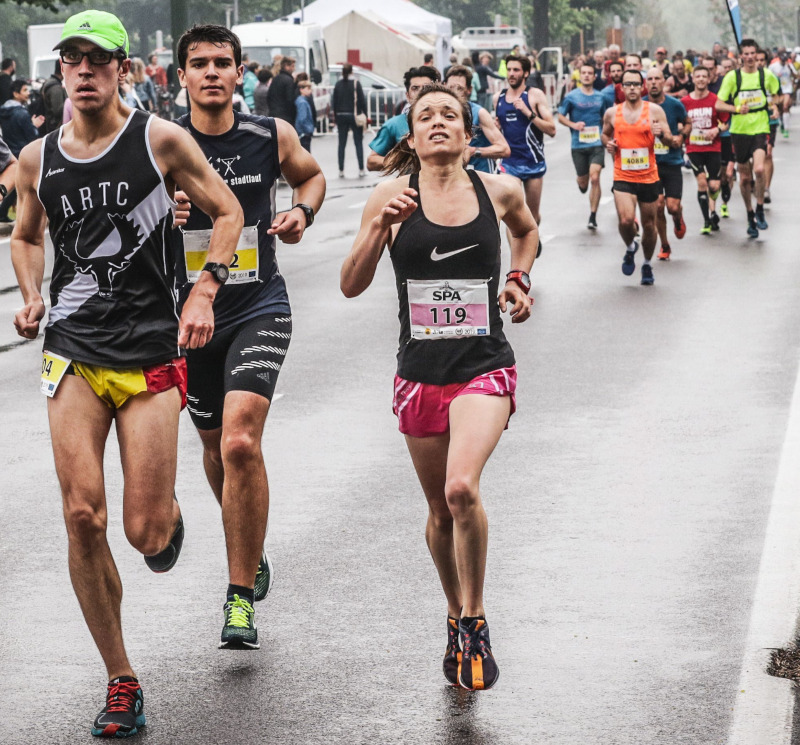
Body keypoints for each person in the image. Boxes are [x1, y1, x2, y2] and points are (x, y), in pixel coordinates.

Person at [10, 10, 243, 738]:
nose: (83, 71)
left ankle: (165, 514)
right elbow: (24, 236)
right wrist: (30, 293)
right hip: (73, 349)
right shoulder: (37, 158)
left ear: (122, 69)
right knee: (82, 514)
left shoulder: (158, 139)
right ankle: (121, 677)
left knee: (143, 533)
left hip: (149, 351)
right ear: (60, 72)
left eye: (96, 60)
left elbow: (228, 212)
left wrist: (204, 290)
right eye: (71, 60)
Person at [341, 82, 537, 691]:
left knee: (459, 488)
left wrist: (519, 279)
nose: (437, 124)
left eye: (449, 115)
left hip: (484, 367)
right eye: (424, 116)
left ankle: (475, 619)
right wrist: (381, 227)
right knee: (437, 510)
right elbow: (350, 284)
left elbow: (526, 233)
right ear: (411, 133)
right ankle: (453, 612)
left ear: (466, 130)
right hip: (419, 375)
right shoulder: (389, 195)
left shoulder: (497, 189)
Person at [174, 23, 325, 651]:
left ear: (242, 74)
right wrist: (167, 218)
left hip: (258, 302)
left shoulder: (270, 134)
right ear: (180, 76)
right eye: (199, 63)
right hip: (188, 316)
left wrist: (300, 211)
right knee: (214, 449)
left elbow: (311, 177)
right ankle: (249, 545)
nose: (212, 72)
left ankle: (239, 597)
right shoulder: (159, 142)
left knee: (240, 440)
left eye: (223, 63)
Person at [602, 68, 674, 285]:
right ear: (621, 87)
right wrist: (608, 143)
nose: (632, 88)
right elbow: (605, 133)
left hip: (649, 177)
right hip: (623, 175)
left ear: (641, 87)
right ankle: (631, 246)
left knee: (649, 226)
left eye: (635, 84)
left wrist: (662, 134)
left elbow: (670, 139)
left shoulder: (654, 111)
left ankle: (647, 263)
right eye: (627, 84)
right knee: (625, 221)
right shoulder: (612, 113)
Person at [716, 38, 780, 238]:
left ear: (756, 55)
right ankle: (750, 214)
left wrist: (774, 105)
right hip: (739, 131)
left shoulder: (766, 75)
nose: (751, 57)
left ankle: (760, 208)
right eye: (747, 54)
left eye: (754, 53)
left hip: (760, 127)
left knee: (759, 169)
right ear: (741, 56)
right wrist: (736, 108)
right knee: (744, 178)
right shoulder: (732, 78)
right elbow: (719, 104)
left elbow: (777, 95)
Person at [494, 54, 556, 255]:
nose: (511, 74)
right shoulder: (499, 98)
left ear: (526, 73)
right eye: (509, 69)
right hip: (509, 164)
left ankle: (532, 234)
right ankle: (517, 262)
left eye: (516, 70)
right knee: (511, 215)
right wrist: (496, 127)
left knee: (532, 215)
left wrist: (528, 112)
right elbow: (497, 130)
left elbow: (551, 129)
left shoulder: (535, 95)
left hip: (533, 162)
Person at [644, 67, 689, 260]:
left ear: (664, 82)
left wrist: (682, 136)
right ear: (646, 84)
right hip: (649, 164)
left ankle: (678, 217)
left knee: (671, 206)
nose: (653, 82)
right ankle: (664, 244)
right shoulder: (640, 106)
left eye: (657, 79)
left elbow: (687, 122)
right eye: (650, 79)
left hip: (671, 161)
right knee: (659, 205)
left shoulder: (674, 104)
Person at [558, 61, 609, 230]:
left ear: (594, 77)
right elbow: (560, 116)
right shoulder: (572, 96)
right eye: (584, 73)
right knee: (583, 183)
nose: (586, 75)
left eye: (590, 73)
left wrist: (605, 134)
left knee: (595, 177)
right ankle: (582, 182)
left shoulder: (601, 97)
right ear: (580, 76)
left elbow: (606, 118)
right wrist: (573, 125)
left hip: (596, 144)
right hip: (578, 145)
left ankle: (593, 216)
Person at [367, 65, 440, 172]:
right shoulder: (394, 124)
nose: (420, 92)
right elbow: (371, 161)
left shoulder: (446, 121)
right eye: (415, 88)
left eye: (426, 88)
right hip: (410, 186)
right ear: (407, 95)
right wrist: (401, 161)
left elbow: (464, 151)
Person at [683, 65, 727, 234]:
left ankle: (713, 206)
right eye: (698, 76)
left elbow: (725, 122)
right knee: (701, 181)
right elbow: (680, 123)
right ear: (693, 79)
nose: (701, 79)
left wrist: (717, 129)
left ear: (709, 79)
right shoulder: (685, 102)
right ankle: (707, 219)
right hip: (693, 148)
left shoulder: (716, 100)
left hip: (713, 147)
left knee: (714, 186)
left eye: (704, 76)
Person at [443, 65, 510, 174]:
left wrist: (473, 151)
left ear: (469, 90)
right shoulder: (439, 114)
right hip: (454, 177)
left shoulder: (479, 113)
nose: (454, 93)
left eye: (459, 88)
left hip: (481, 175)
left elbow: (504, 149)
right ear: (444, 86)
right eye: (450, 88)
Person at [332, 62, 367, 177]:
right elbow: (362, 101)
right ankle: (361, 169)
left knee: (341, 144)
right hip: (354, 115)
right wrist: (365, 114)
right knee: (358, 143)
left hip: (341, 116)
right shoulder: (356, 84)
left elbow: (334, 102)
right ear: (352, 71)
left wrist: (336, 117)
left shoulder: (338, 84)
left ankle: (341, 170)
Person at [0, 79, 45, 156]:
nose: (28, 93)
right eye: (25, 90)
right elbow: (32, 136)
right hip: (22, 154)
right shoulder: (22, 114)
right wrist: (34, 126)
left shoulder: (3, 111)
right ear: (16, 94)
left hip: (8, 155)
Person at [769, 51, 795, 136]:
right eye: (782, 60)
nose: (784, 62)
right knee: (780, 109)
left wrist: (790, 68)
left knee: (785, 106)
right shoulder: (773, 66)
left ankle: (786, 128)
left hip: (787, 89)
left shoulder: (789, 65)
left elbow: (796, 75)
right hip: (777, 90)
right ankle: (783, 123)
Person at [267, 56, 297, 123]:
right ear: (286, 66)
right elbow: (290, 100)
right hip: (285, 116)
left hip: (273, 114)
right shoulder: (289, 80)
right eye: (292, 66)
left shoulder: (275, 78)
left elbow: (269, 97)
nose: (294, 69)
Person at [41, 61, 67, 133]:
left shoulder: (49, 82)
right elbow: (58, 111)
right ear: (63, 69)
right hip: (55, 128)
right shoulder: (56, 88)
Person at [294, 79, 314, 151]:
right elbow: (302, 118)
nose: (310, 90)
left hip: (303, 132)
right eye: (308, 88)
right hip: (304, 132)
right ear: (301, 89)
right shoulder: (302, 102)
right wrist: (306, 130)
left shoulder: (301, 101)